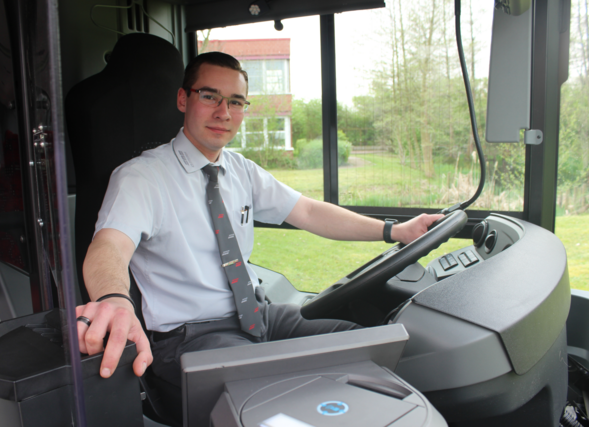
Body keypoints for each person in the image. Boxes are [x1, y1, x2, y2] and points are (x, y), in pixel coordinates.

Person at [75, 52, 442, 388]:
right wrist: (114, 299)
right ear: (183, 99)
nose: (224, 112)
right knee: (275, 393)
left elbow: (308, 211)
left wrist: (395, 230)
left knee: (366, 346)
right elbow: (109, 245)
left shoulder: (241, 170)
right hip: (193, 337)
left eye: (236, 102)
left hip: (261, 317)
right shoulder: (142, 178)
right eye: (210, 96)